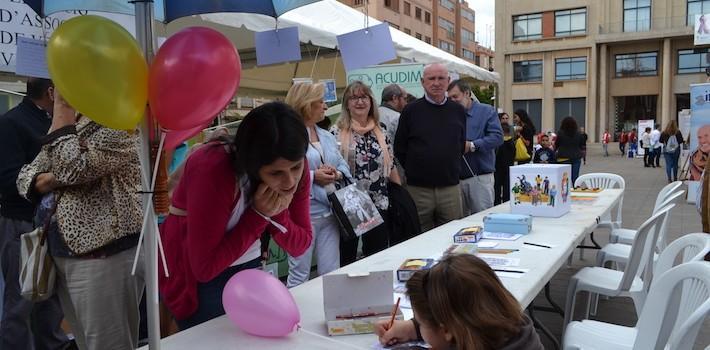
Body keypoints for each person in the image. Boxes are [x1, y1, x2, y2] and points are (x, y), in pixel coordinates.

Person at [158, 102, 313, 330]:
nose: (289, 181)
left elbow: (301, 245)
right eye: (275, 173)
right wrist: (259, 214)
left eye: (296, 168)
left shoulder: (296, 163)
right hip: (197, 282)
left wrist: (274, 213)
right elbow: (204, 269)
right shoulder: (212, 167)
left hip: (248, 268)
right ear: (252, 165)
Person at [16, 90, 144, 350]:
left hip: (104, 252)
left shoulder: (122, 121)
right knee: (85, 341)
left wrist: (62, 110)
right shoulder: (80, 120)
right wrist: (56, 177)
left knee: (107, 343)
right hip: (65, 252)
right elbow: (25, 176)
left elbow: (72, 168)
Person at [0, 78, 70, 350]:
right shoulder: (12, 123)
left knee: (51, 301)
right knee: (21, 302)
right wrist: (52, 178)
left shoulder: (52, 122)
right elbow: (7, 178)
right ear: (52, 92)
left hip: (49, 224)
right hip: (22, 225)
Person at [374, 254, 544, 350]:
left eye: (421, 322)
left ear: (447, 330)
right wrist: (411, 328)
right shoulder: (520, 329)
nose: (419, 326)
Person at [284, 83, 351, 287]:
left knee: (331, 272)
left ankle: (330, 314)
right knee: (299, 274)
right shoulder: (288, 136)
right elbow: (283, 173)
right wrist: (314, 176)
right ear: (306, 105)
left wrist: (336, 173)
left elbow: (342, 164)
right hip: (302, 215)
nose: (325, 106)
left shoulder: (326, 135)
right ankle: (294, 317)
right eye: (320, 101)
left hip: (331, 213)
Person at [332, 81, 400, 266]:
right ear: (347, 103)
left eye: (363, 97)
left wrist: (400, 192)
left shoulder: (381, 131)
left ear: (371, 101)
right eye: (354, 98)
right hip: (351, 203)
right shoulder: (336, 133)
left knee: (377, 256)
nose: (359, 102)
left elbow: (391, 164)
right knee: (347, 257)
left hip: (379, 200)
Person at [395, 63, 466, 231]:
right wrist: (416, 169)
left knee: (452, 235)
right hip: (418, 190)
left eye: (441, 78)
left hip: (450, 188)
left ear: (448, 81)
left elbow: (460, 144)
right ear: (422, 82)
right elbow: (400, 147)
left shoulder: (457, 110)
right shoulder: (410, 111)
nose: (436, 83)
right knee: (419, 236)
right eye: (431, 78)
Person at [447, 80, 503, 215]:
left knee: (482, 219)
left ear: (467, 94)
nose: (452, 101)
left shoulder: (486, 111)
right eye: (449, 98)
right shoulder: (449, 114)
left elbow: (497, 137)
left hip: (480, 177)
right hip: (455, 180)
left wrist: (473, 145)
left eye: (455, 97)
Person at [378, 84, 408, 183]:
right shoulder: (397, 117)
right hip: (395, 170)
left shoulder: (373, 114)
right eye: (404, 98)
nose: (406, 102)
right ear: (395, 98)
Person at [555, 117, 585, 184]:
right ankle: (575, 190)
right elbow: (581, 145)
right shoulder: (578, 134)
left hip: (563, 157)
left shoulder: (560, 133)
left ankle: (564, 192)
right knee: (575, 177)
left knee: (564, 178)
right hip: (576, 157)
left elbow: (557, 144)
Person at [495, 114, 515, 205]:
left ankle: (497, 203)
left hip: (497, 167)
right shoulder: (511, 142)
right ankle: (506, 203)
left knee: (497, 187)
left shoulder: (498, 142)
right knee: (507, 187)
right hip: (508, 167)